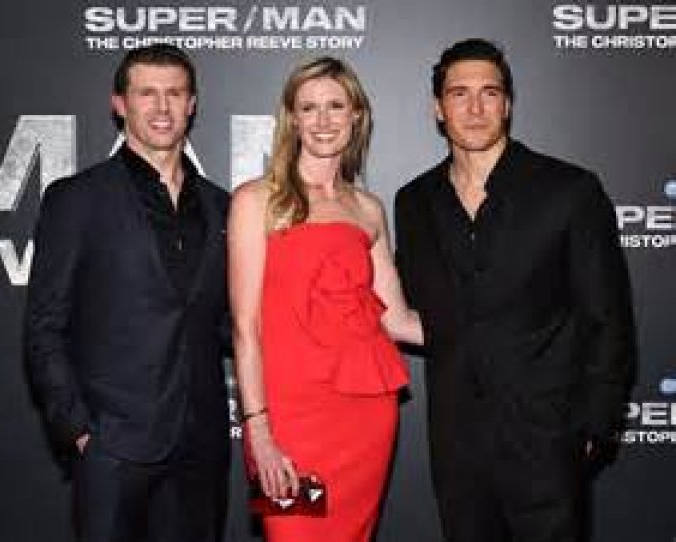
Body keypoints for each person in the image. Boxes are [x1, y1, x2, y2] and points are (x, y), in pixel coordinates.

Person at [395, 38, 636, 542]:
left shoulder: (569, 190)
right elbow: (413, 305)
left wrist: (596, 425)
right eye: (459, 94)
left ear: (507, 104)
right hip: (457, 446)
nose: (475, 108)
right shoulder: (414, 201)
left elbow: (607, 318)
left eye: (490, 93)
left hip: (549, 443)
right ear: (438, 108)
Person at [23, 44, 230, 542]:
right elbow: (45, 325)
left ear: (192, 104)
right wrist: (80, 429)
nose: (162, 107)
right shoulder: (77, 198)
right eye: (146, 93)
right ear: (119, 104)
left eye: (174, 93)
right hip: (113, 446)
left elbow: (226, 322)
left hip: (201, 446)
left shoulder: (221, 205)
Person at [228, 56, 422, 542]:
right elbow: (246, 327)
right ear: (292, 119)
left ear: (356, 115)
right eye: (308, 107)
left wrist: (496, 323)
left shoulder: (368, 209)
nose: (323, 120)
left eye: (335, 106)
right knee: (293, 533)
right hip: (288, 419)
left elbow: (398, 320)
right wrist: (259, 431)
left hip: (365, 414)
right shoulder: (257, 200)